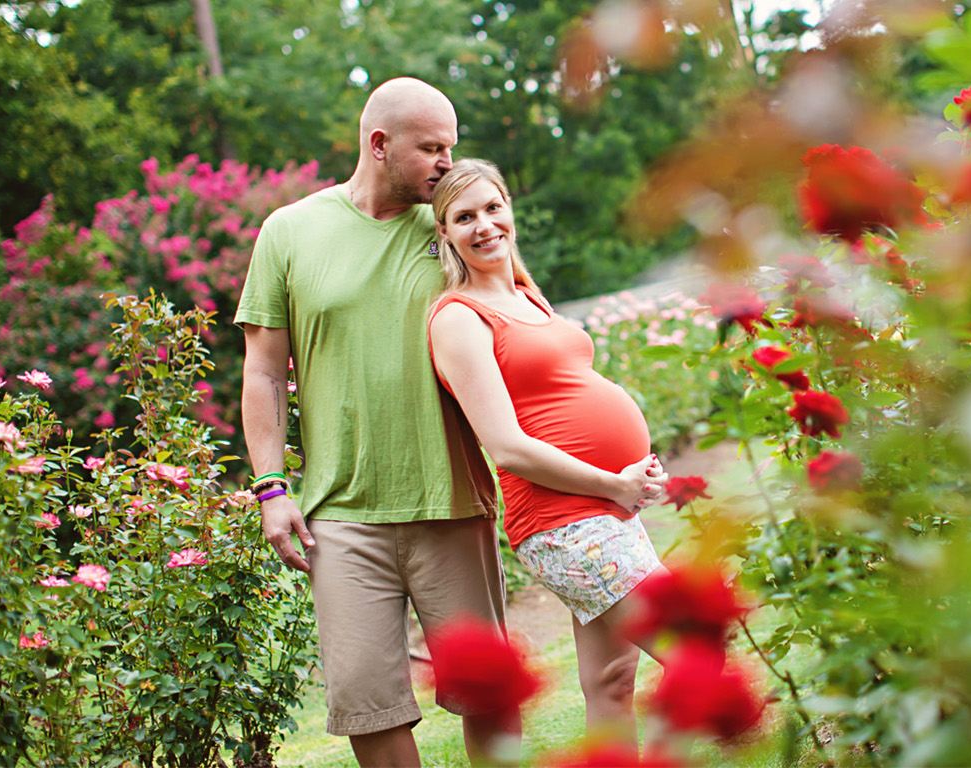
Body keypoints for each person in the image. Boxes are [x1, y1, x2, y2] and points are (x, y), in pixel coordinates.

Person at [235, 79, 519, 767]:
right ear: (379, 144)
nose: (447, 163)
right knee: (368, 701)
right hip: (341, 515)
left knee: (488, 694)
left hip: (451, 499)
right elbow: (265, 371)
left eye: (451, 146)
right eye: (432, 148)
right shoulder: (290, 231)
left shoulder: (453, 225)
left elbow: (519, 321)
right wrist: (271, 488)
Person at [426, 158, 671, 744]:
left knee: (612, 680)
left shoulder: (526, 296)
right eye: (465, 217)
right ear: (445, 234)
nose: (484, 225)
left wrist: (631, 475)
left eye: (492, 207)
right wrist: (614, 483)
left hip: (604, 510)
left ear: (509, 209)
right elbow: (507, 446)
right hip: (567, 521)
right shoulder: (458, 317)